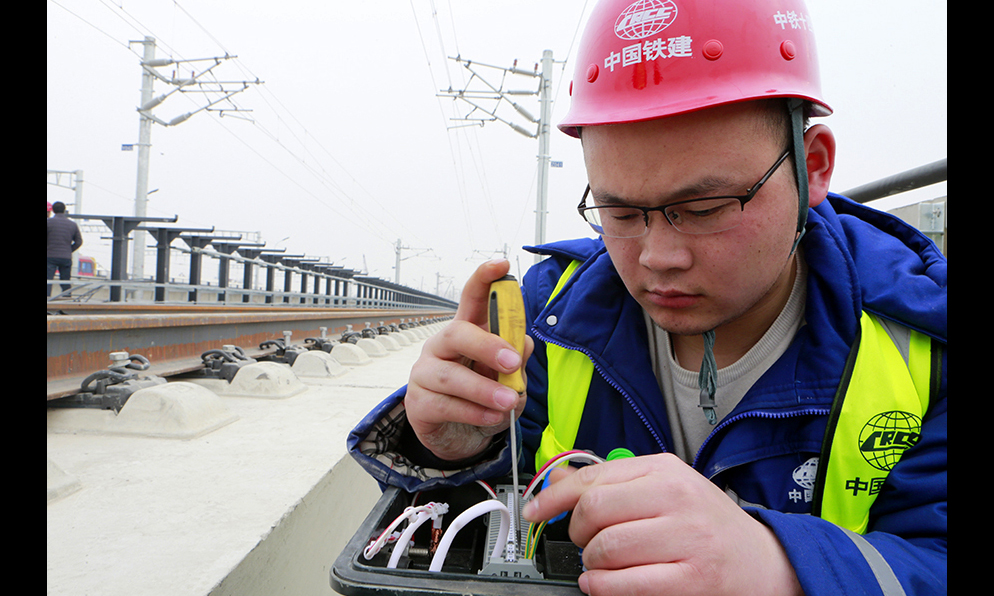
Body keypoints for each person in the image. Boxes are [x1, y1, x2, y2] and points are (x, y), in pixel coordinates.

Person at [348, 1, 946, 594]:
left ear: (811, 168)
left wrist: (783, 567)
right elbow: (480, 520)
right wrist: (454, 448)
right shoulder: (553, 314)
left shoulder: (925, 342)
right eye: (620, 211)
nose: (658, 256)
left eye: (705, 209)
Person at [47, 201, 83, 298]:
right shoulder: (72, 224)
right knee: (65, 280)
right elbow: (79, 241)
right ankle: (67, 300)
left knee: (48, 280)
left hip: (50, 256)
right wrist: (69, 250)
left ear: (53, 211)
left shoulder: (48, 222)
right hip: (66, 257)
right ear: (64, 210)